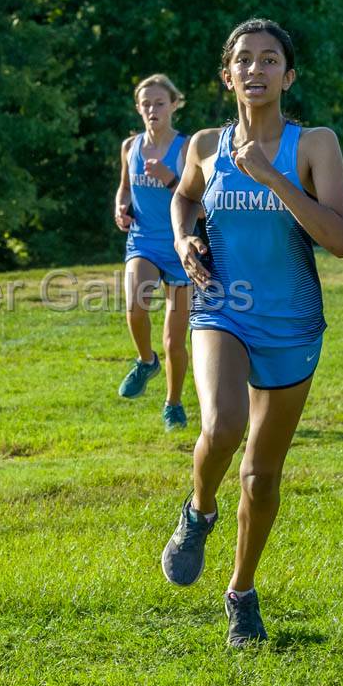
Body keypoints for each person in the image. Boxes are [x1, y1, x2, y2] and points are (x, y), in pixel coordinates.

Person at [160, 19, 343, 647]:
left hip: (293, 323)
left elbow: (340, 240)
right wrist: (185, 236)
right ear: (227, 76)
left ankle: (241, 592)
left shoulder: (314, 145)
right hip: (224, 306)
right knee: (221, 426)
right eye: (244, 60)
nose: (256, 69)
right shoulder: (204, 146)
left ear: (288, 76)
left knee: (262, 475)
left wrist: (273, 177)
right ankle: (198, 513)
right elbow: (184, 199)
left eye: (270, 60)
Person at [113, 74, 193, 431]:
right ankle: (146, 362)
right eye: (145, 104)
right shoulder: (130, 146)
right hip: (142, 241)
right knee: (135, 306)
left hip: (179, 245)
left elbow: (199, 202)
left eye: (159, 103)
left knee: (175, 340)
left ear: (174, 105)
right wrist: (120, 209)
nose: (152, 110)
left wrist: (169, 178)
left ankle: (173, 404)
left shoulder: (187, 148)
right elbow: (124, 189)